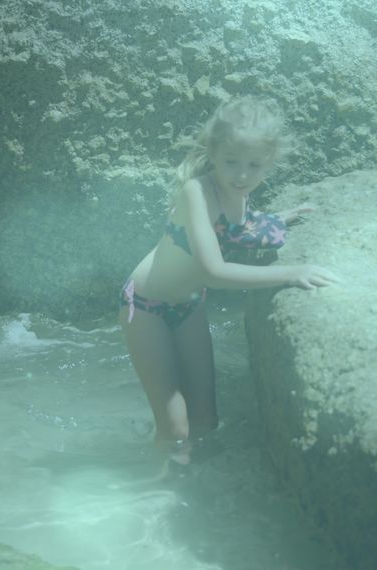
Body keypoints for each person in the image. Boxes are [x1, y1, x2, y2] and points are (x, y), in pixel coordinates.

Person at [119, 96, 338, 466]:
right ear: (213, 152)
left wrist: (280, 219)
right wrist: (291, 273)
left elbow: (243, 227)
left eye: (254, 166)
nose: (241, 175)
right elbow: (213, 271)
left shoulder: (240, 193)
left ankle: (201, 491)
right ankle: (161, 500)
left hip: (187, 306)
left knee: (206, 420)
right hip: (145, 308)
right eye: (231, 162)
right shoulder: (197, 192)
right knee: (175, 430)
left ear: (270, 163)